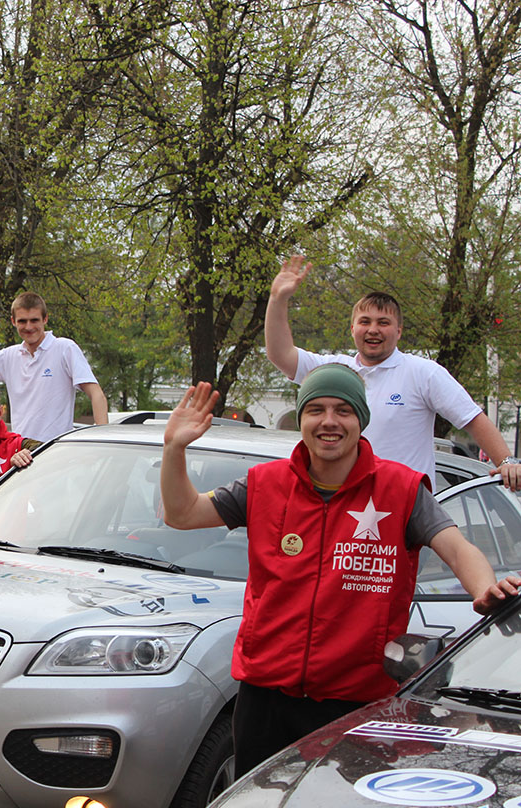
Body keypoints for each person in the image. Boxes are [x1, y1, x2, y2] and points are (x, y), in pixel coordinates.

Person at [159, 364, 521, 776]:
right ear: (301, 420)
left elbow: (458, 549)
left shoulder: (400, 489)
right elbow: (182, 514)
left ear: (361, 421)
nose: (329, 422)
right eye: (315, 410)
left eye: (342, 410)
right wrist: (174, 448)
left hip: (358, 705)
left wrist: (485, 590)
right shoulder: (264, 483)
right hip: (265, 700)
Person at [264, 255, 521, 490]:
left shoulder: (424, 373)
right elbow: (281, 354)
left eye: (383, 323)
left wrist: (507, 461)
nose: (373, 329)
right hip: (346, 508)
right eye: (365, 322)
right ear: (353, 329)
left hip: (405, 511)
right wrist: (278, 300)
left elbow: (472, 418)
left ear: (398, 332)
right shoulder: (334, 372)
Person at [0, 288, 108, 442]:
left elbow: (96, 394)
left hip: (55, 452)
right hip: (20, 453)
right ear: (13, 321)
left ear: (45, 319)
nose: (29, 327)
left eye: (34, 320)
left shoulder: (64, 348)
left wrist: (102, 439)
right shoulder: (9, 356)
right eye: (22, 321)